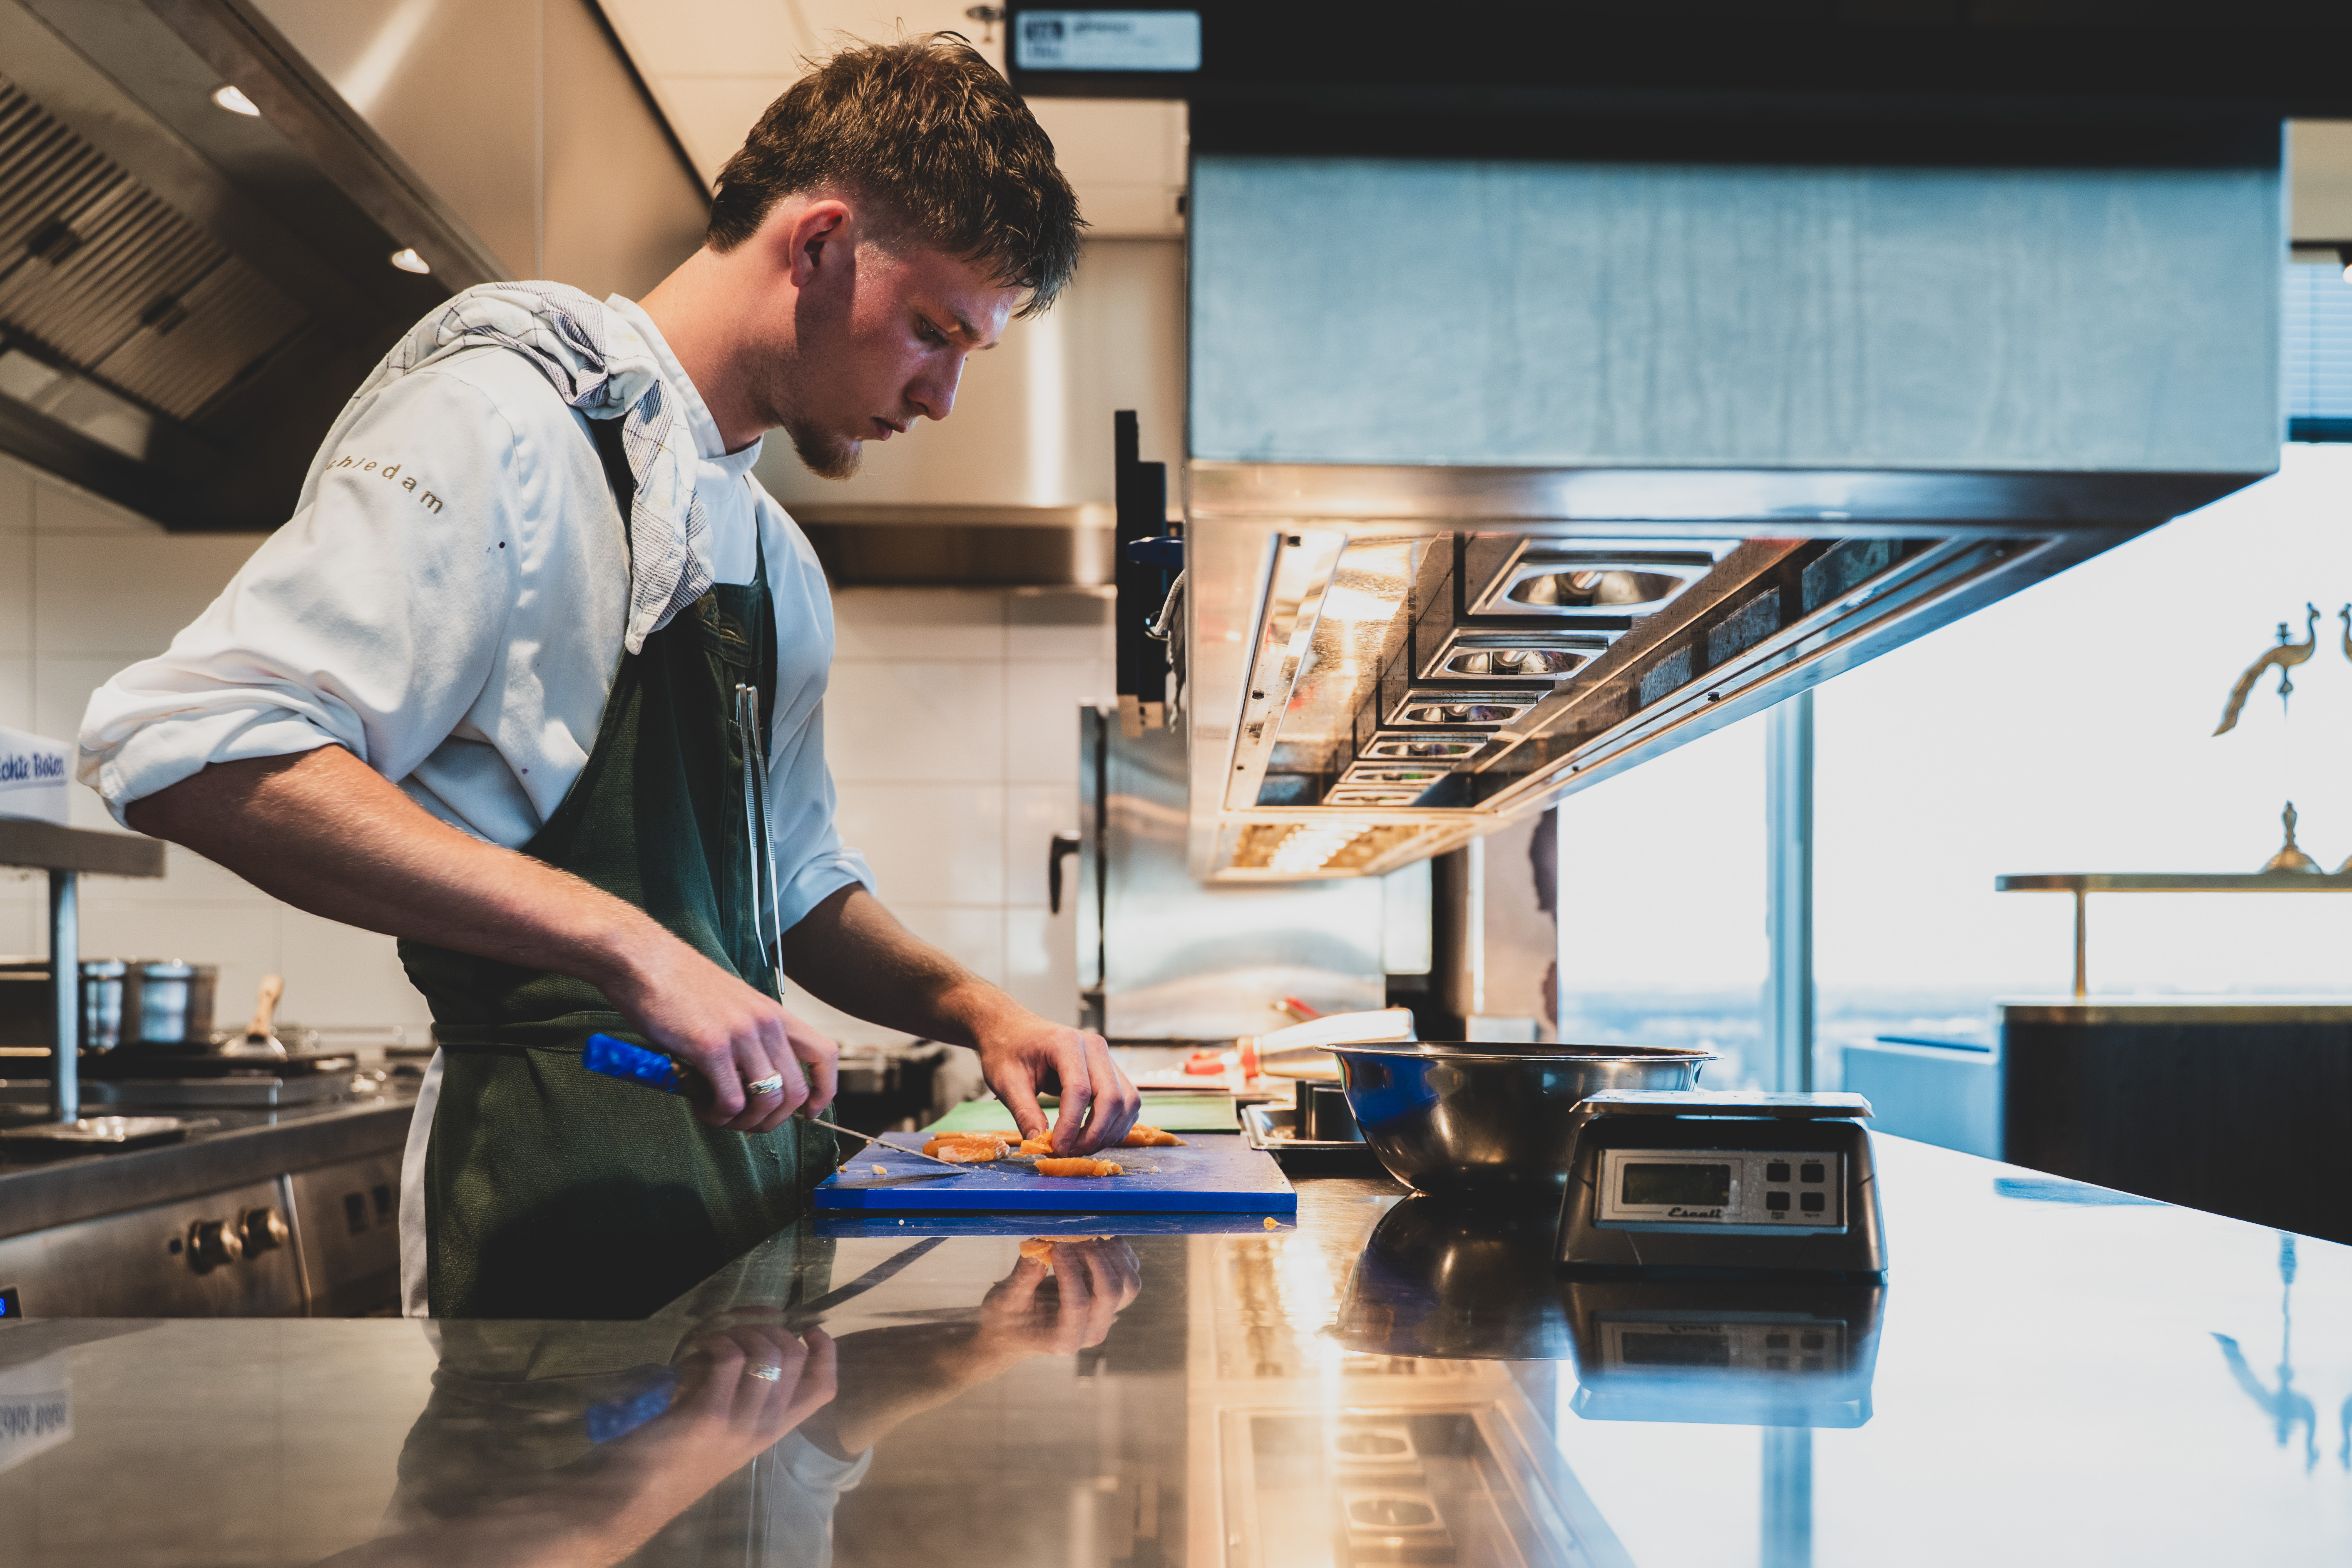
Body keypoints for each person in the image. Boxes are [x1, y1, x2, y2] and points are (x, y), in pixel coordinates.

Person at [77, 35, 1141, 1319]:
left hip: (742, 1230)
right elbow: (192, 745)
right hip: (543, 1222)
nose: (944, 396)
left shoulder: (772, 554)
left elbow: (789, 884)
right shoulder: (503, 429)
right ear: (816, 246)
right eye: (933, 330)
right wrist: (624, 944)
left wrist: (973, 1011)